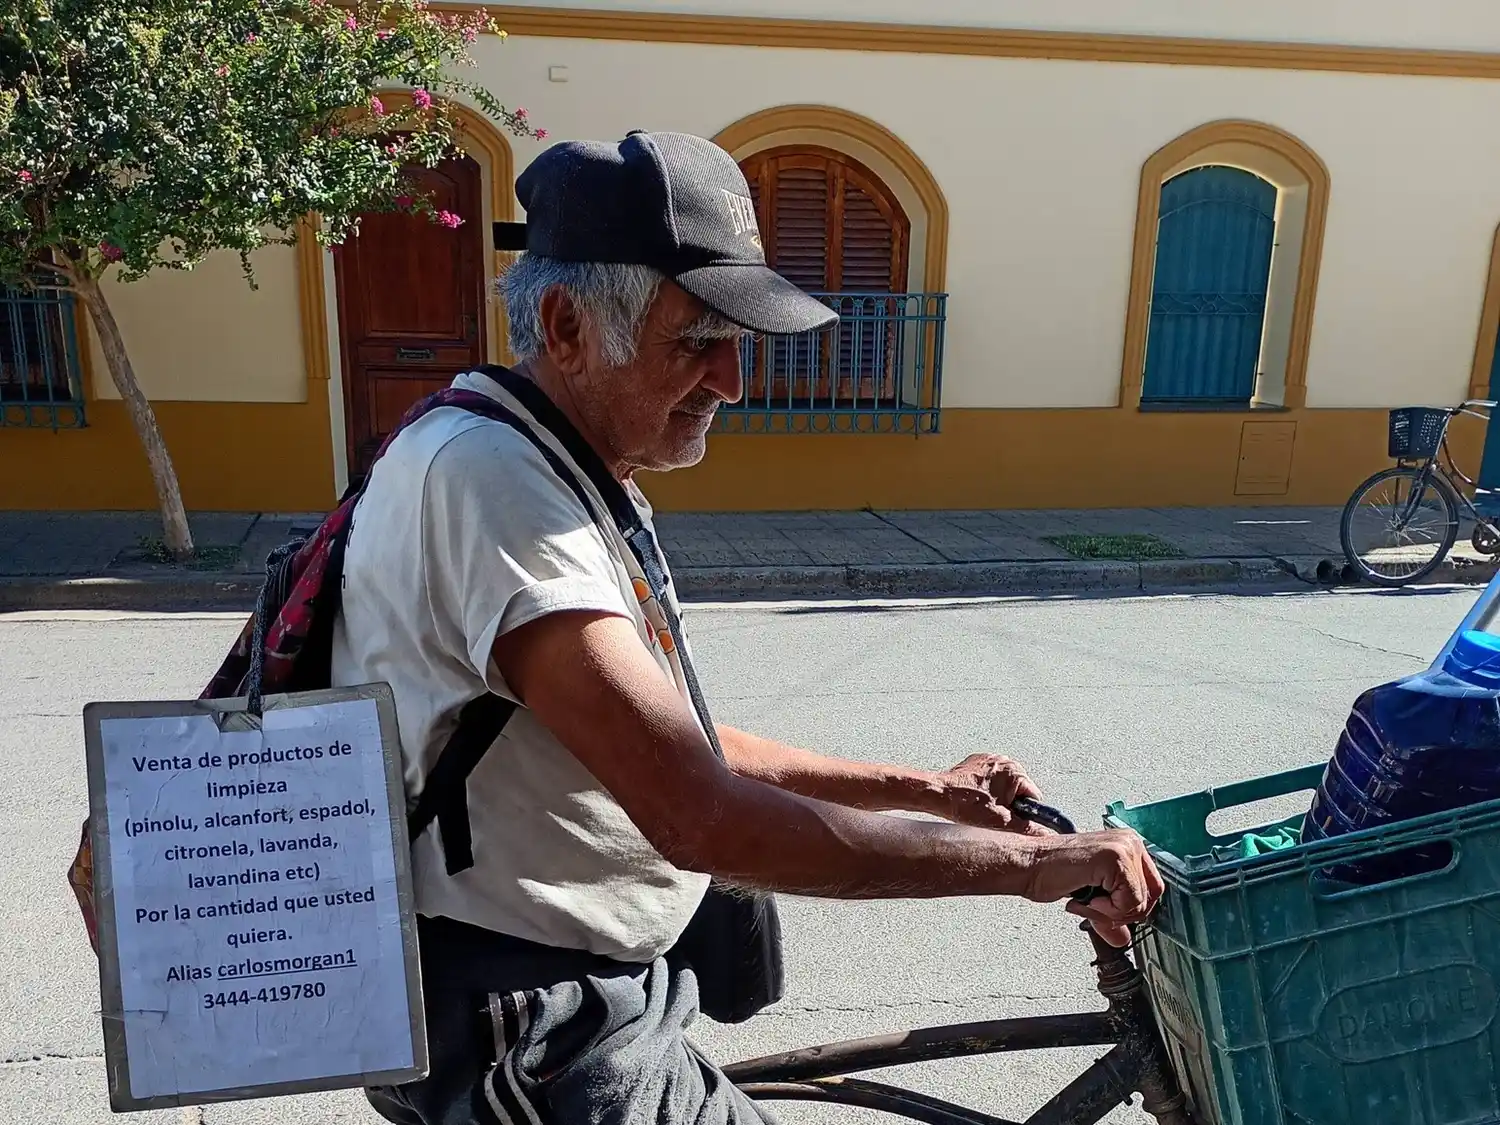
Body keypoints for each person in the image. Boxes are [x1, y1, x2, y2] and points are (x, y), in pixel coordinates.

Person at [337, 129, 1164, 1125]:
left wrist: (927, 791)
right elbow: (697, 814)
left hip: (590, 982)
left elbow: (671, 743)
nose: (732, 381)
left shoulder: (561, 466)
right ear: (564, 326)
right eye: (695, 342)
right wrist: (1033, 869)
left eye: (738, 344)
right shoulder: (493, 483)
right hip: (529, 1017)